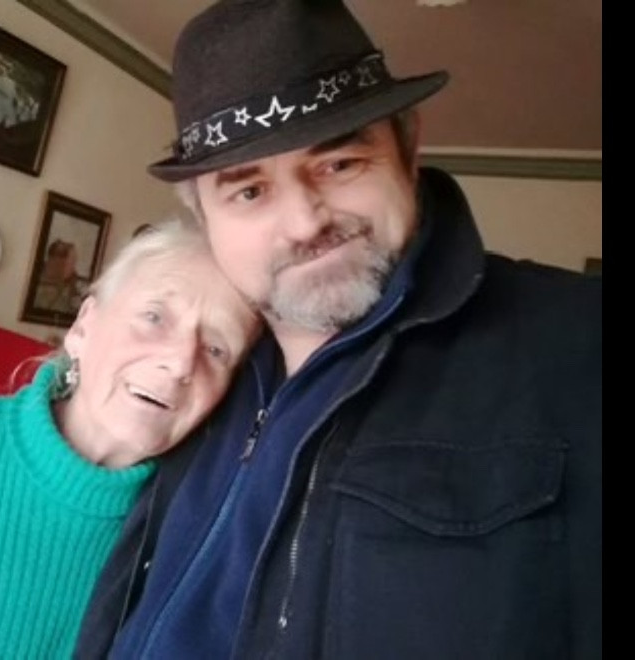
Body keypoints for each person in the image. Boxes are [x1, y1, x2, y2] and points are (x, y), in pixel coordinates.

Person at [77, 1, 602, 659]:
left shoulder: (578, 344)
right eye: (249, 192)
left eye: (340, 164)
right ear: (206, 219)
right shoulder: (201, 370)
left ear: (408, 147)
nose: (304, 222)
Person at [0, 220, 260, 657]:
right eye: (154, 317)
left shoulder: (200, 538)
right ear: (83, 326)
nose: (181, 363)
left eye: (216, 349)